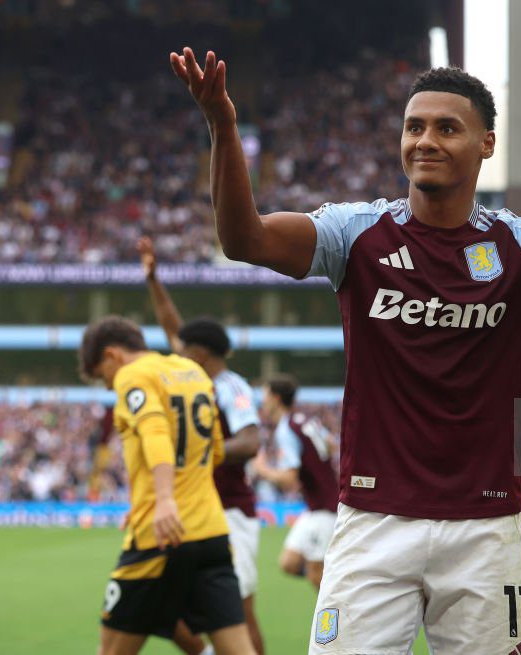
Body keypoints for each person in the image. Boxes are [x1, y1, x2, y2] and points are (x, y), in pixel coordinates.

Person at [170, 46, 521, 654]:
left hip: (485, 528)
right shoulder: (357, 233)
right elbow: (245, 239)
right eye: (414, 127)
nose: (425, 140)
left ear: (486, 144)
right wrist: (222, 126)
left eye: (447, 128)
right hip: (373, 520)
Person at [78, 316, 255, 655]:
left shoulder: (133, 376)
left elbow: (156, 433)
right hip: (212, 533)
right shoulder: (192, 372)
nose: (106, 387)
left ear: (113, 355)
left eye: (102, 375)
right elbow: (215, 448)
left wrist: (163, 501)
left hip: (160, 536)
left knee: (111, 650)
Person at [137, 237, 266, 655]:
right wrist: (154, 281)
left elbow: (250, 441)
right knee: (158, 604)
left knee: (239, 613)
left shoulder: (231, 388)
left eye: (185, 352)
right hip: (197, 510)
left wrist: (203, 453)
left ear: (203, 354)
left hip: (230, 512)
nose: (177, 355)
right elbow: (173, 326)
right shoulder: (194, 378)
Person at [251, 374, 339, 590]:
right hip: (317, 505)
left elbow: (289, 480)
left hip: (324, 510)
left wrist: (262, 469)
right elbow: (331, 445)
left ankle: (338, 619)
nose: (263, 402)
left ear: (276, 398)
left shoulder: (286, 429)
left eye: (265, 396)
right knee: (289, 563)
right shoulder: (305, 420)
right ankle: (338, 579)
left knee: (315, 574)